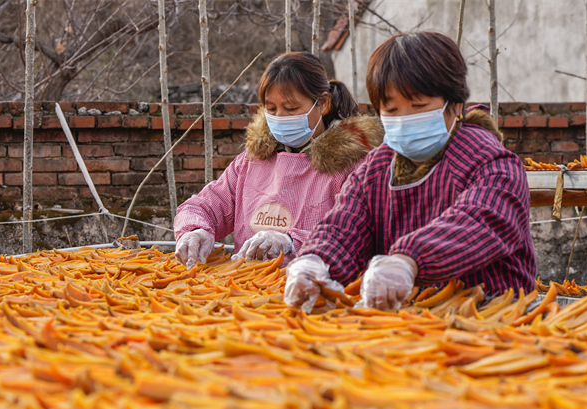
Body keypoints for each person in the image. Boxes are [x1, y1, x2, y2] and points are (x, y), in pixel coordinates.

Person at [284, 31, 536, 313]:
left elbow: (480, 220)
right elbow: (345, 224)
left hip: (492, 318)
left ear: (454, 103)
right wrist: (315, 260)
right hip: (408, 325)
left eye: (418, 106)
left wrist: (409, 259)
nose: (404, 120)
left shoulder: (490, 161)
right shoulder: (376, 168)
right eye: (390, 110)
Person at [173, 52, 383, 269]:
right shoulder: (251, 161)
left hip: (313, 289)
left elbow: (356, 234)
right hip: (243, 293)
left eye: (291, 109)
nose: (280, 117)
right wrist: (195, 230)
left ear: (323, 103)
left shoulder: (353, 166)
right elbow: (206, 205)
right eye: (271, 109)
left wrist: (292, 243)